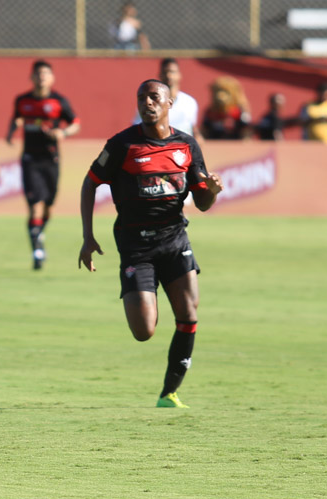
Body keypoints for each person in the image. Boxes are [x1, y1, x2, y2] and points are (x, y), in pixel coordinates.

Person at [78, 79, 223, 408]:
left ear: (170, 104)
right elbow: (90, 184)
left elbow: (201, 201)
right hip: (136, 248)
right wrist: (88, 236)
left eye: (154, 97)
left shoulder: (186, 146)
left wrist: (211, 191)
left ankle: (169, 392)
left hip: (175, 241)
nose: (148, 103)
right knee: (144, 331)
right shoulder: (121, 145)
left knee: (188, 313)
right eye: (142, 97)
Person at [6, 59, 80, 270]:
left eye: (45, 74)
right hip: (30, 159)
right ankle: (37, 250)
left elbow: (75, 122)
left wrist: (62, 132)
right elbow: (17, 118)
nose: (41, 78)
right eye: (37, 74)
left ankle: (39, 232)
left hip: (51, 159)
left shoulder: (58, 101)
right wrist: (12, 131)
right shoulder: (22, 100)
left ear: (51, 78)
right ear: (32, 77)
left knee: (48, 207)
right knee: (35, 205)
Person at [132, 58, 202, 142]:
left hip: (181, 151)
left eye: (172, 72)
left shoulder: (190, 102)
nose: (169, 76)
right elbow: (136, 129)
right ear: (160, 75)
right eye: (165, 72)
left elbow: (193, 129)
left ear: (179, 75)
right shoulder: (149, 104)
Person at [201, 76, 251, 140]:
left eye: (225, 92)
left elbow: (246, 129)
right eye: (218, 91)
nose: (220, 95)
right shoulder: (211, 112)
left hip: (236, 144)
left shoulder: (240, 111)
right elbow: (205, 129)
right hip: (215, 143)